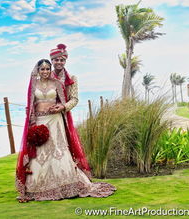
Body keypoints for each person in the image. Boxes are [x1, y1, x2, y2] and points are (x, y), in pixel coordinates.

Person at [15, 59, 116, 202]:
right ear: (37, 70)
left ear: (50, 70)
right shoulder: (33, 85)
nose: (45, 72)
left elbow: (64, 102)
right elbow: (30, 105)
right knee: (40, 154)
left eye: (47, 69)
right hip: (39, 122)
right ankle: (35, 189)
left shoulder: (57, 84)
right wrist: (32, 123)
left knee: (58, 151)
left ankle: (67, 185)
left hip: (55, 121)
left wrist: (60, 107)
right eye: (42, 69)